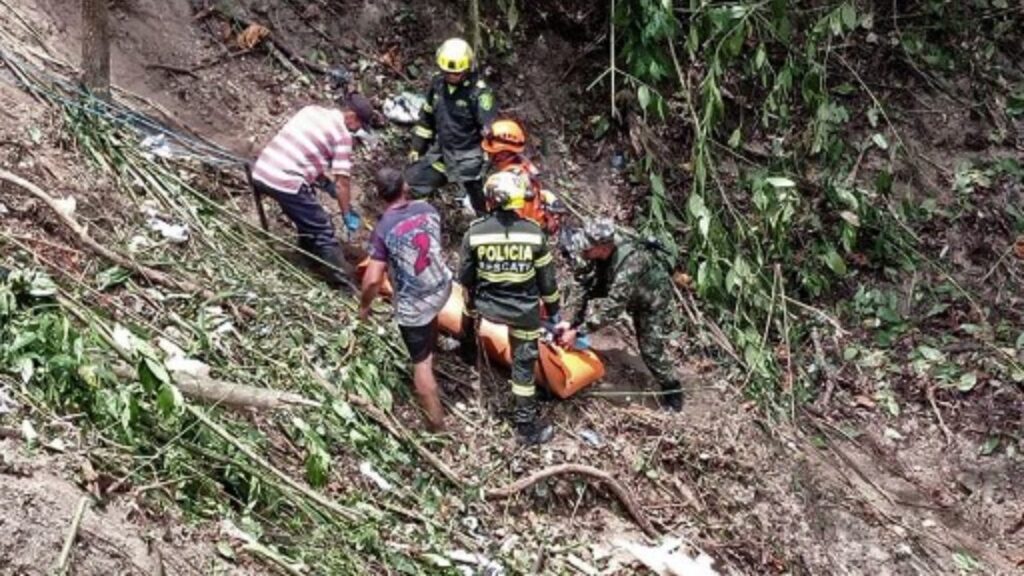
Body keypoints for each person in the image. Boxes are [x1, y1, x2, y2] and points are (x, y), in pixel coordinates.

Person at [459, 171, 565, 445]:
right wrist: (554, 314)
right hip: (523, 313)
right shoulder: (534, 235)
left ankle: (467, 348)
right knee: (523, 368)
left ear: (492, 199)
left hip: (486, 307)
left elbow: (465, 279)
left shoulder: (475, 233)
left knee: (468, 304)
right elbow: (547, 284)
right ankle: (526, 427)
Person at [557, 218, 685, 411]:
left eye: (588, 249)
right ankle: (570, 333)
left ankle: (673, 392)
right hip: (614, 282)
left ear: (603, 248)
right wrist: (568, 321)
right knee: (579, 289)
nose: (585, 253)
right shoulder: (601, 245)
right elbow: (581, 284)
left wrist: (581, 331)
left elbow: (612, 309)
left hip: (650, 300)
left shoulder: (630, 263)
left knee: (651, 350)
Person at [250, 93, 376, 289]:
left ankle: (308, 256)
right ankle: (343, 284)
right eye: (359, 125)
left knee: (309, 212)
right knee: (322, 228)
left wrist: (325, 184)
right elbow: (343, 183)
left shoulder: (311, 111)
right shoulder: (343, 136)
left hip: (263, 170)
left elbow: (304, 154)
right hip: (285, 181)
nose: (357, 130)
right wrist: (346, 212)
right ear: (351, 116)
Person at [359, 168, 452, 431]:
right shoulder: (428, 209)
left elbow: (374, 279)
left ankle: (437, 427)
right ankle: (432, 348)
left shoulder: (383, 229)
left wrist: (364, 307)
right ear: (405, 187)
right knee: (428, 320)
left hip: (416, 304)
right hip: (442, 287)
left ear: (380, 196)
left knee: (420, 365)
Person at [405, 38, 497, 214]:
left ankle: (483, 224)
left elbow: (489, 129)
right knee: (412, 182)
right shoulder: (438, 84)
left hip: (470, 158)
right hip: (442, 154)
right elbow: (427, 118)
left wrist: (488, 158)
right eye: (446, 72)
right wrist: (417, 147)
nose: (450, 76)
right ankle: (423, 218)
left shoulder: (479, 93)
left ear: (466, 70)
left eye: (455, 73)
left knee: (481, 203)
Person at [481, 118, 566, 235]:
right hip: (535, 227)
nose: (489, 154)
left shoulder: (505, 181)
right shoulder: (524, 167)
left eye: (491, 151)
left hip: (522, 233)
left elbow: (509, 216)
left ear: (503, 152)